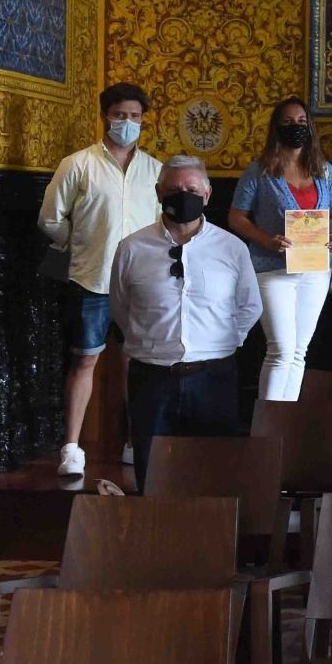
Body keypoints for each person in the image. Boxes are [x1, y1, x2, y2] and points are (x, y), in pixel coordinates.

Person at [109, 156, 261, 486]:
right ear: (159, 193)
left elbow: (250, 306)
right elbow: (121, 307)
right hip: (151, 378)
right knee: (152, 475)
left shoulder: (232, 248)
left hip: (214, 377)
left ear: (206, 195)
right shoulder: (131, 248)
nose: (183, 194)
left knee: (215, 476)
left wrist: (222, 342)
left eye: (191, 188)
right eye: (174, 188)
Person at [38, 82, 164, 476]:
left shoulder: (155, 170)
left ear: (144, 120)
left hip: (141, 283)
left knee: (137, 364)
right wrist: (78, 245)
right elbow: (50, 218)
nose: (127, 123)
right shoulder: (77, 164)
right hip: (90, 278)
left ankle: (135, 442)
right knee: (85, 360)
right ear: (105, 116)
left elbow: (164, 223)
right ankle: (72, 448)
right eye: (120, 115)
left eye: (135, 117)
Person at [227, 98, 332, 402]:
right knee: (280, 350)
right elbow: (236, 216)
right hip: (272, 269)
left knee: (298, 353)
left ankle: (286, 425)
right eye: (289, 122)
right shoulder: (260, 171)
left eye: (302, 122)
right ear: (277, 127)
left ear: (310, 126)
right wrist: (265, 239)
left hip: (316, 269)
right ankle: (266, 429)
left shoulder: (325, 171)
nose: (296, 127)